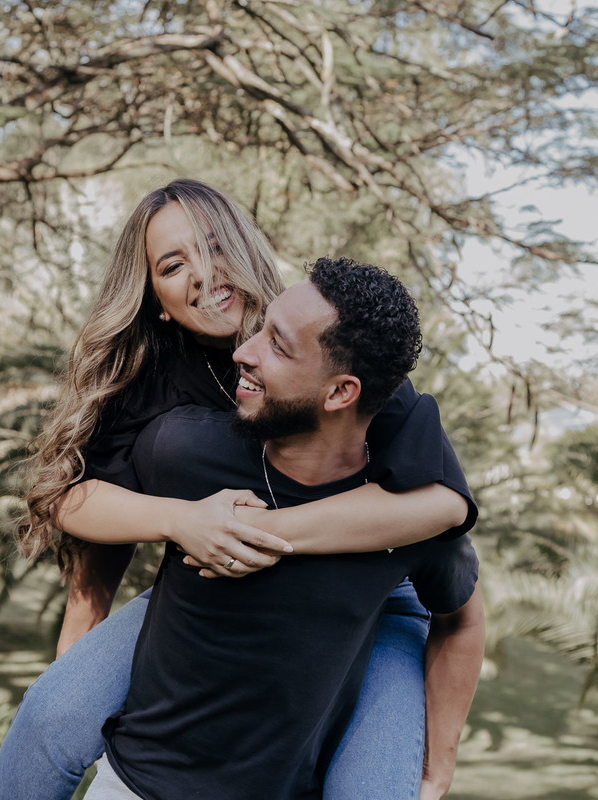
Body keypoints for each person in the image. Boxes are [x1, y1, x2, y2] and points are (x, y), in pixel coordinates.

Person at [0, 180, 476, 799]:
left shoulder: (331, 348)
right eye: (172, 264)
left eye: (213, 246)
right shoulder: (147, 383)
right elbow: (72, 500)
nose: (201, 273)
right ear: (155, 296)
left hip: (375, 596)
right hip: (213, 565)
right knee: (50, 715)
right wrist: (182, 520)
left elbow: (447, 505)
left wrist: (263, 533)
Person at [84, 256, 484, 799]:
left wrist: (437, 771)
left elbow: (461, 620)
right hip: (133, 787)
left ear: (341, 393)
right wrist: (177, 518)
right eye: (261, 329)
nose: (242, 353)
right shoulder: (185, 450)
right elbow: (68, 496)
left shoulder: (407, 519)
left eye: (278, 345)